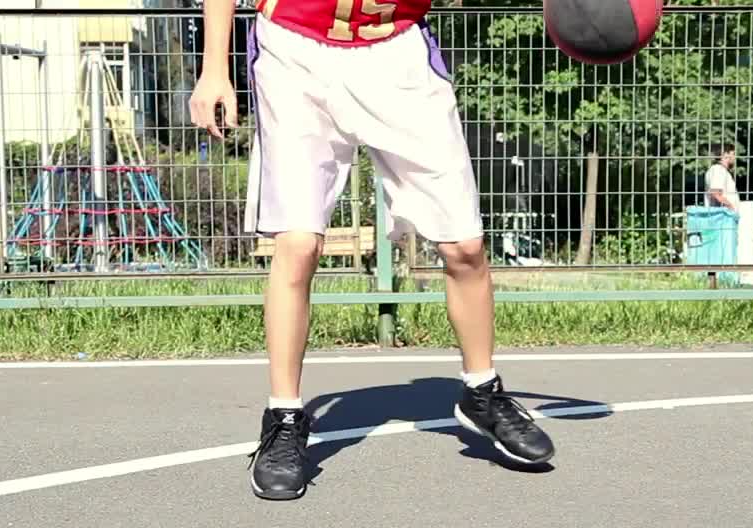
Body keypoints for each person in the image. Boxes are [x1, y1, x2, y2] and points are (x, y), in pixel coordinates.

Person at [188, 0, 555, 500]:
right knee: (298, 244)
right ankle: (284, 417)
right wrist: (214, 66)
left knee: (465, 247)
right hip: (295, 51)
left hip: (396, 52)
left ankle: (482, 393)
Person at [705, 143, 740, 214]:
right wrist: (731, 207)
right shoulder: (718, 169)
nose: (734, 157)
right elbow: (716, 193)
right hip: (721, 216)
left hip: (723, 215)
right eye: (733, 154)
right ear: (725, 154)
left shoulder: (721, 170)